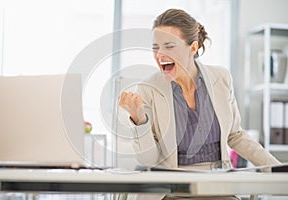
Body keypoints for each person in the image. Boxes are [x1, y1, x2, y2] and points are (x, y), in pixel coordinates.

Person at [118, 8, 280, 200]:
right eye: (155, 47)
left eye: (169, 46)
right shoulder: (148, 88)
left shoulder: (220, 78)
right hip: (171, 191)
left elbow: (236, 135)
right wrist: (139, 119)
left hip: (218, 186)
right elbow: (148, 160)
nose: (160, 54)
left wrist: (278, 170)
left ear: (192, 48)